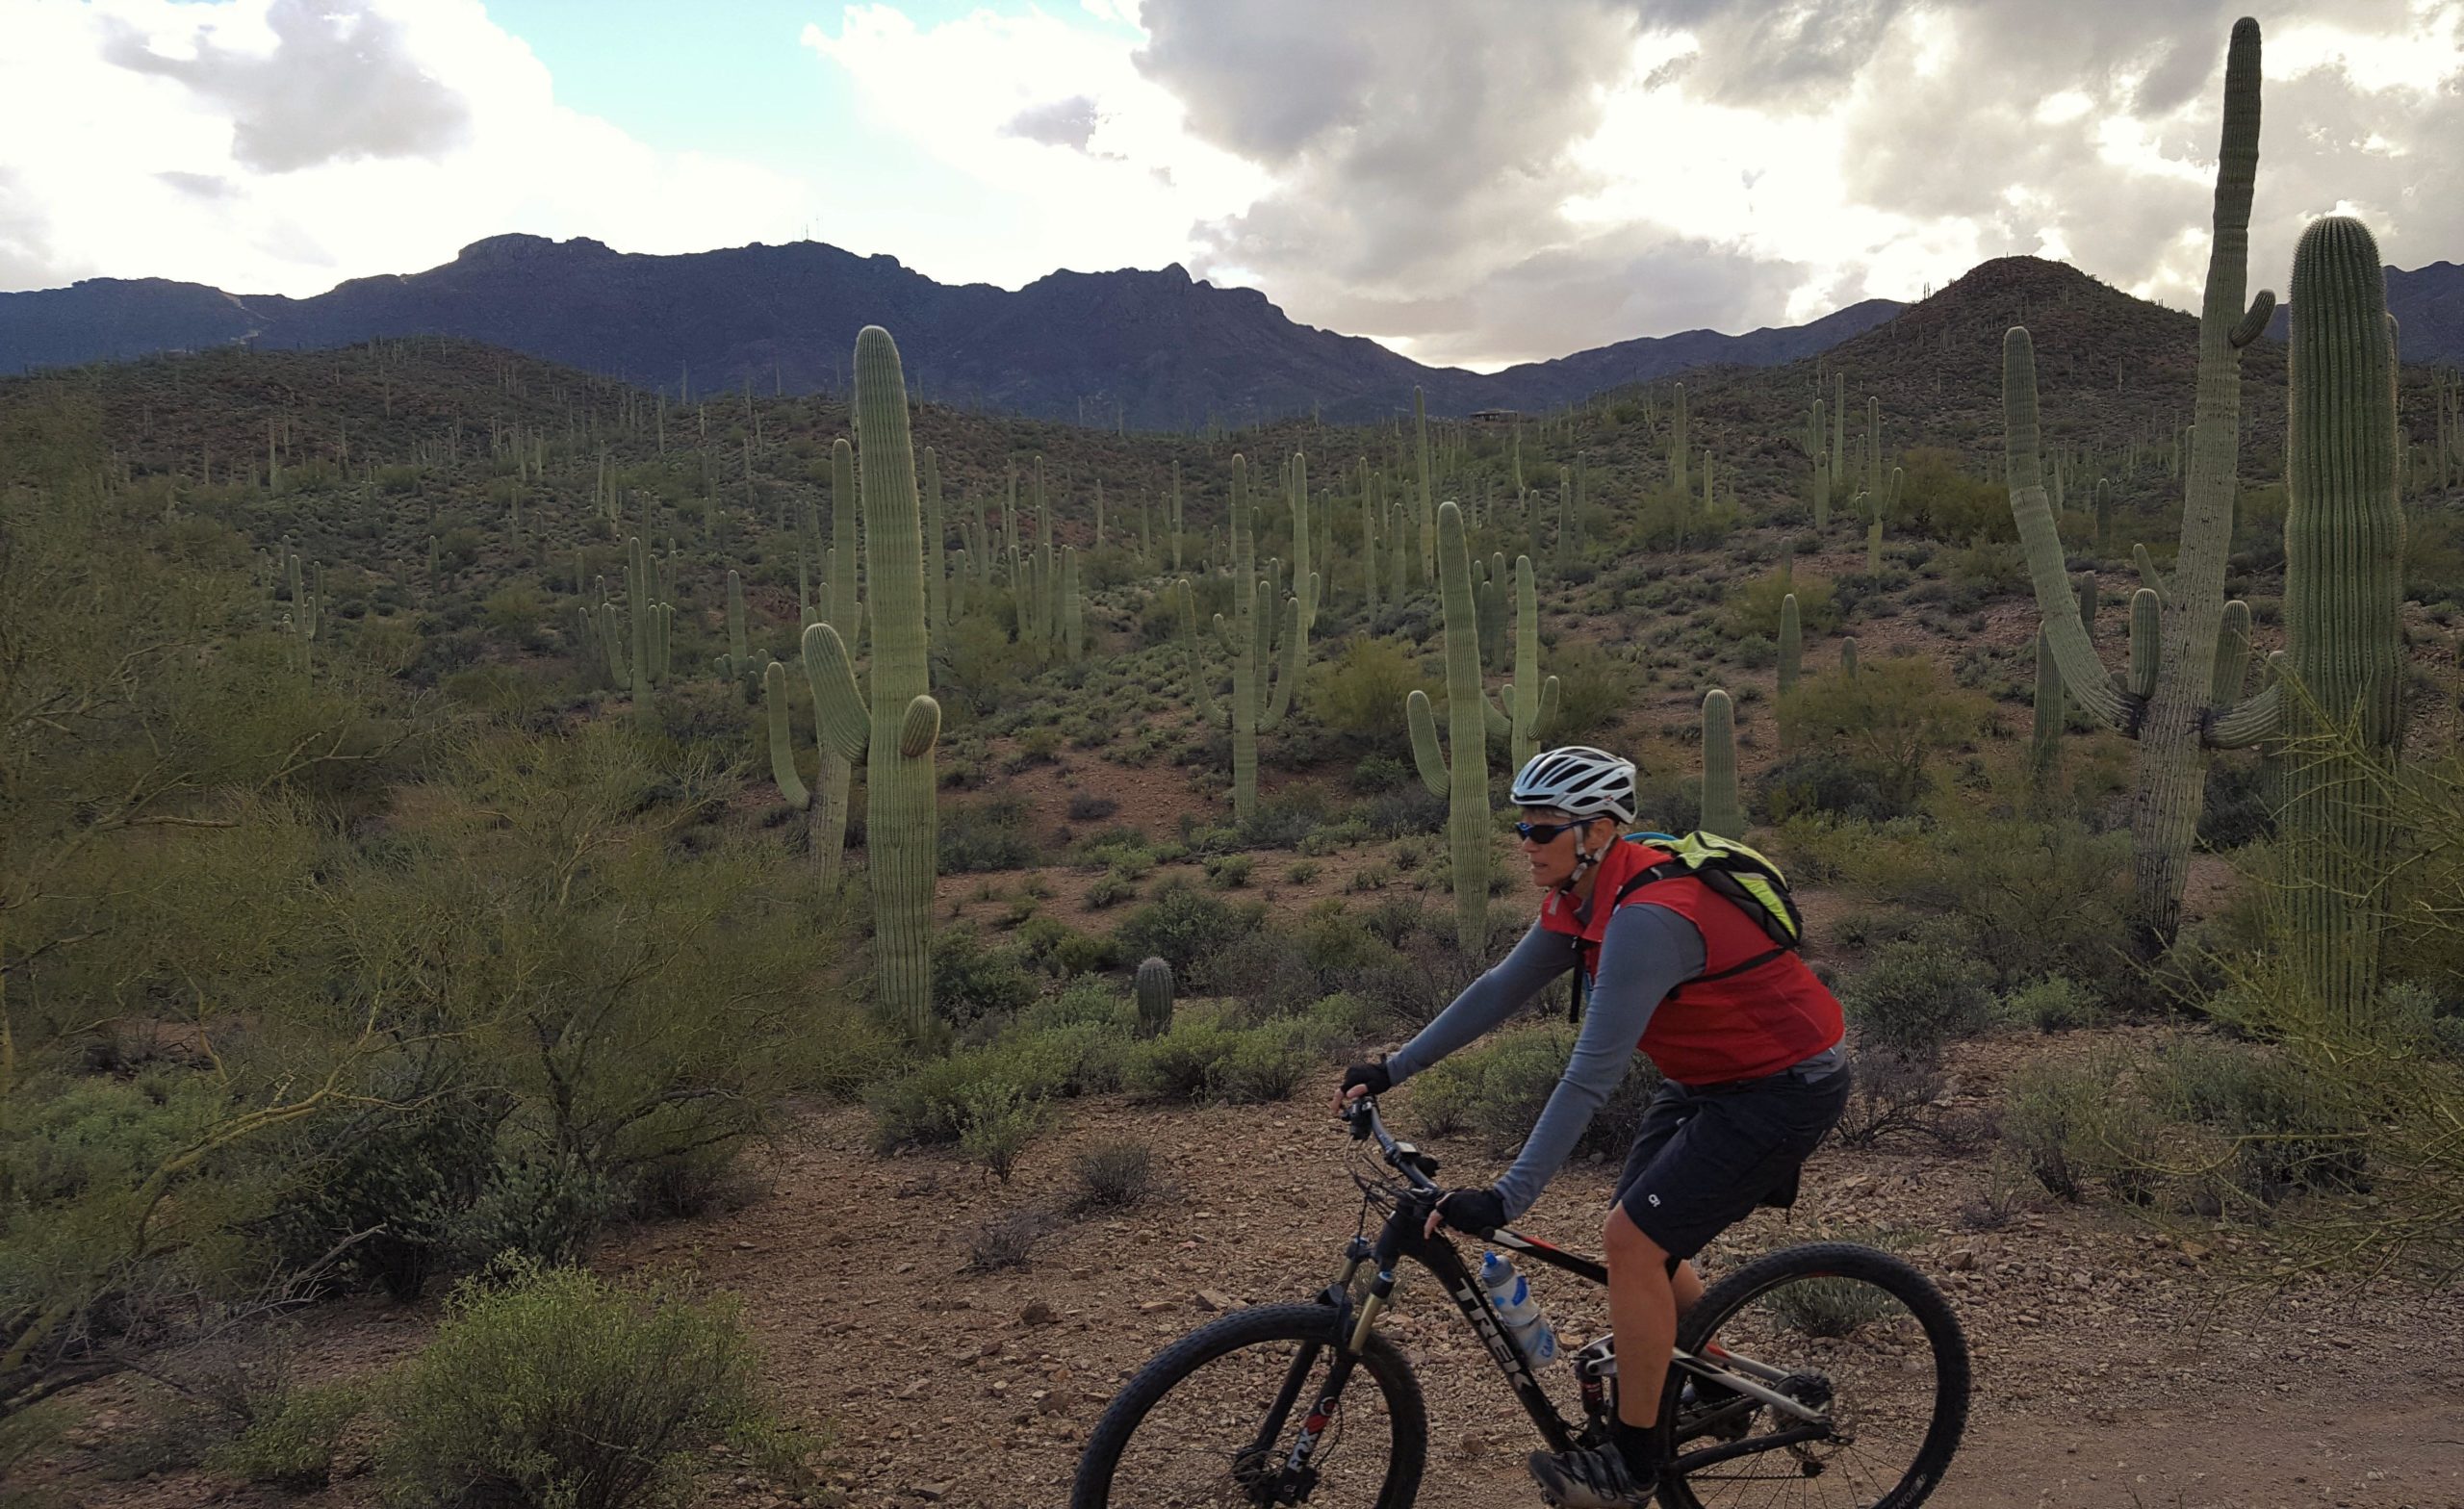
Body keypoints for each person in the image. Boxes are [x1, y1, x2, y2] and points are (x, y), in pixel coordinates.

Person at [1334, 745, 1848, 1509]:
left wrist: (1508, 1197)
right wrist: (1391, 1067)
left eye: (1544, 831)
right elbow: (1499, 989)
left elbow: (1590, 1075)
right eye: (1523, 828)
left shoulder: (1646, 918)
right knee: (1641, 1231)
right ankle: (1709, 1382)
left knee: (1632, 1242)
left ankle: (1634, 1464)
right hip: (1709, 1078)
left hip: (1786, 1086)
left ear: (1599, 831)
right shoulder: (1584, 895)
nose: (1526, 845)